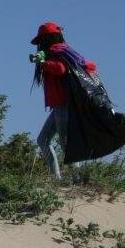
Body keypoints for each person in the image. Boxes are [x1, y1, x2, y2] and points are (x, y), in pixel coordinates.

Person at [30, 21, 97, 180]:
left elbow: (60, 69)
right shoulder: (58, 51)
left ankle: (77, 179)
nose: (39, 44)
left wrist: (42, 63)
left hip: (64, 104)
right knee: (43, 140)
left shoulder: (56, 50)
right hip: (59, 105)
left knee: (65, 142)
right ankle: (58, 178)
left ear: (47, 38)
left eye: (41, 40)